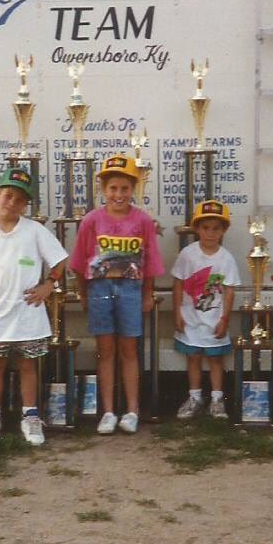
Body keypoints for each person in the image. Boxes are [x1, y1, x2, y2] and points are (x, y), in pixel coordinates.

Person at [0, 167, 68, 446]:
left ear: (25, 205)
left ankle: (30, 417)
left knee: (28, 366)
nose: (12, 203)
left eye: (19, 199)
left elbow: (59, 261)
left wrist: (48, 285)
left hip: (27, 312)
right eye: (8, 195)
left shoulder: (35, 230)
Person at [70, 155, 164, 434]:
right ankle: (108, 411)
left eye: (125, 188)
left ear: (133, 189)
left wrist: (147, 294)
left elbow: (150, 261)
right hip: (100, 288)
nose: (119, 194)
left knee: (129, 350)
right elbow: (80, 261)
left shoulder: (143, 221)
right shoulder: (91, 220)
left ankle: (132, 411)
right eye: (113, 188)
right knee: (105, 350)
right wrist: (83, 294)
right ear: (103, 189)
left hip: (130, 289)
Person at [172, 200, 240, 419]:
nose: (210, 233)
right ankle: (194, 397)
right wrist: (177, 312)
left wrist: (225, 319)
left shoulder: (226, 258)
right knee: (193, 357)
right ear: (197, 229)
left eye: (216, 228)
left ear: (224, 230)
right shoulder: (187, 254)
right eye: (205, 227)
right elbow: (178, 283)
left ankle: (217, 400)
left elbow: (229, 291)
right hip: (190, 318)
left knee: (215, 359)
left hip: (214, 320)